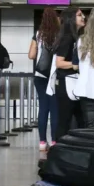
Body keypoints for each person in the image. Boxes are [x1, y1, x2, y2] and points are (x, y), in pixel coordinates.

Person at [29, 8, 61, 150]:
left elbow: (31, 55)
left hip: (40, 75)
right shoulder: (60, 34)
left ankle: (42, 142)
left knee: (43, 108)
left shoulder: (38, 34)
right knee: (55, 109)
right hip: (55, 75)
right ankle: (54, 141)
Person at [52, 7, 86, 140]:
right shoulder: (68, 38)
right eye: (79, 15)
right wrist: (77, 65)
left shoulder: (76, 37)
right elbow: (59, 63)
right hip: (66, 82)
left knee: (74, 119)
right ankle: (58, 150)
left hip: (71, 82)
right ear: (71, 19)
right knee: (65, 120)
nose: (83, 17)